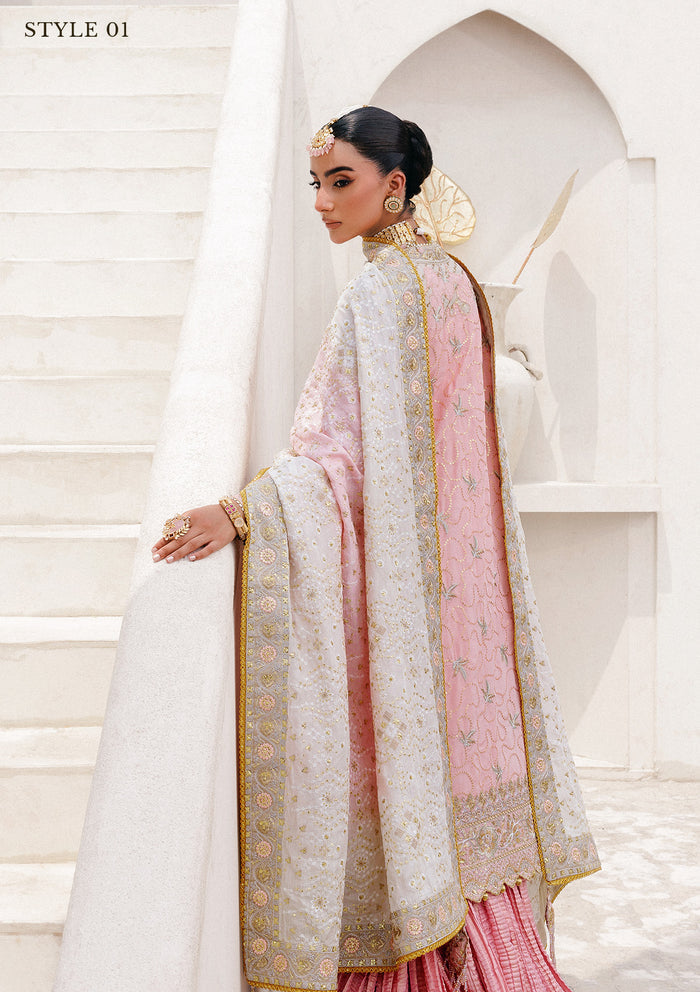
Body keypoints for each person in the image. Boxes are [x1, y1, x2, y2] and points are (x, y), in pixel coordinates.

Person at [151, 106, 599, 992]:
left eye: (341, 181)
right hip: (468, 608)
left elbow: (338, 459)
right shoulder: (458, 284)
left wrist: (244, 512)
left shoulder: (376, 292)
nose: (323, 201)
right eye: (317, 183)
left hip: (406, 604)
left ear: (395, 186)